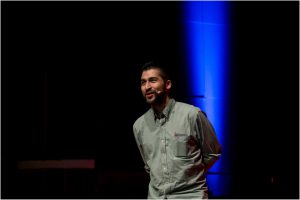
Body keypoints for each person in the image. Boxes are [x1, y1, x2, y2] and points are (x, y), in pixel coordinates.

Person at [133, 61, 222, 199]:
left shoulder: (192, 115)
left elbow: (213, 153)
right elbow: (149, 165)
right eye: (143, 82)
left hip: (190, 196)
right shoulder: (139, 126)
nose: (147, 87)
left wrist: (189, 176)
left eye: (153, 81)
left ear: (167, 84)